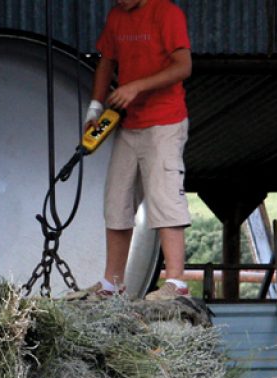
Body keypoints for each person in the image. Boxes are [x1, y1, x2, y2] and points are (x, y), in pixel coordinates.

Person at [83, 0, 192, 300]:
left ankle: (176, 283)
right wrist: (95, 106)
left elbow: (183, 66)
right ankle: (111, 284)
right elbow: (106, 60)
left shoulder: (166, 13)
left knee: (164, 195)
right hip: (129, 124)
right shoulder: (117, 16)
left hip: (165, 122)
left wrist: (136, 86)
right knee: (117, 199)